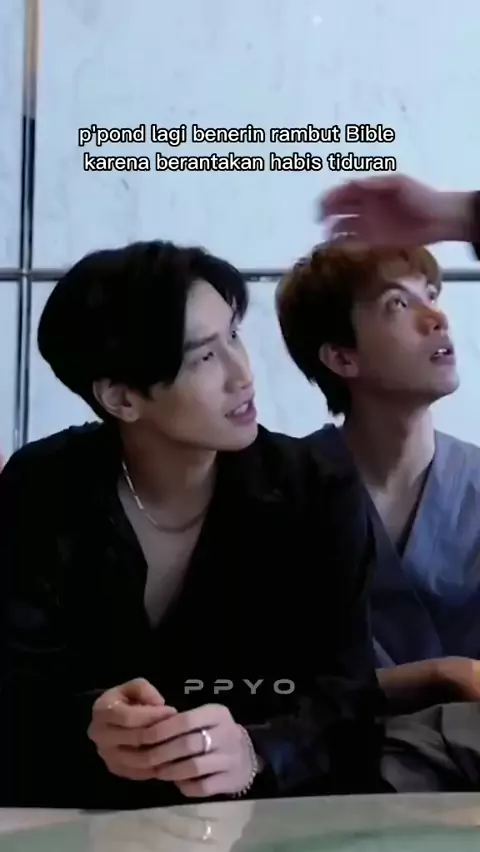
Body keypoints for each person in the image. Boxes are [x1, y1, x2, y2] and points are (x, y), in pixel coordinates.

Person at [0, 240, 384, 809]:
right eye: (204, 357)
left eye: (234, 335)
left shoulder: (314, 489)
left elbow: (351, 701)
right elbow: (16, 689)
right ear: (122, 398)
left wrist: (256, 752)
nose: (242, 374)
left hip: (270, 821)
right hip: (82, 818)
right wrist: (89, 723)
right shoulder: (44, 487)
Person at [276, 240, 480, 713]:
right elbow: (270, 678)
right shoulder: (281, 489)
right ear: (342, 358)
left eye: (431, 295)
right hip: (327, 749)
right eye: (398, 305)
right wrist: (442, 674)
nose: (436, 318)